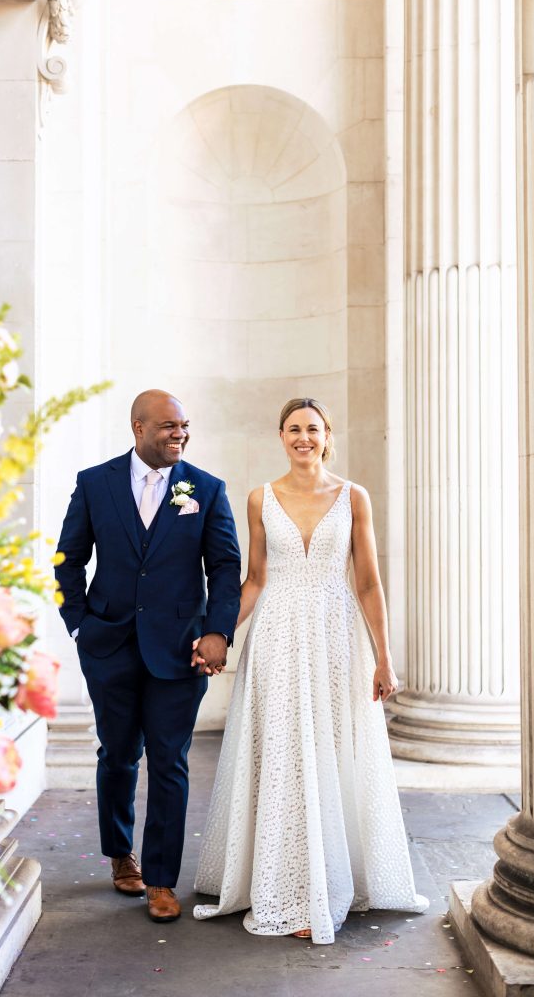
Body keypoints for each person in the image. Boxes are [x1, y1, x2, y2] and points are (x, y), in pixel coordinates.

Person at [192, 397, 428, 944]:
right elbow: (254, 580)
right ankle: (282, 884)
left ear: (328, 436)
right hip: (275, 635)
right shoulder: (259, 498)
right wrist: (218, 634)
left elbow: (368, 583)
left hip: (336, 636)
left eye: (313, 429)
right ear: (281, 436)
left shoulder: (353, 497)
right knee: (283, 754)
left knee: (329, 750)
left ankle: (330, 880)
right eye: (293, 429)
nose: (303, 437)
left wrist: (384, 658)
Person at [55, 390, 241, 923]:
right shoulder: (96, 483)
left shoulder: (205, 489)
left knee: (169, 762)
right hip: (108, 645)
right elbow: (68, 559)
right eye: (167, 426)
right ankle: (120, 855)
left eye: (184, 425)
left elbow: (225, 567)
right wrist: (80, 626)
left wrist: (218, 632)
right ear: (138, 428)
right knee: (117, 754)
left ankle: (162, 880)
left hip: (179, 651)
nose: (178, 434)